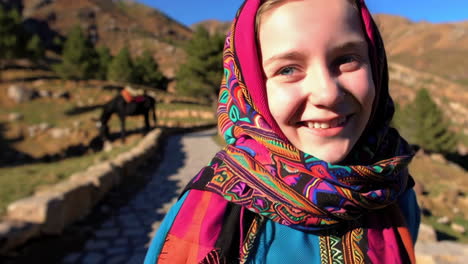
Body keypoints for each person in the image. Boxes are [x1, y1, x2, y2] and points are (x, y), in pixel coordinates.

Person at [144, 0, 420, 263]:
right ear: (249, 89)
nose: (328, 93)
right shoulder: (205, 217)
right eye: (288, 69)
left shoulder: (394, 187)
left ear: (376, 64)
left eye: (347, 59)